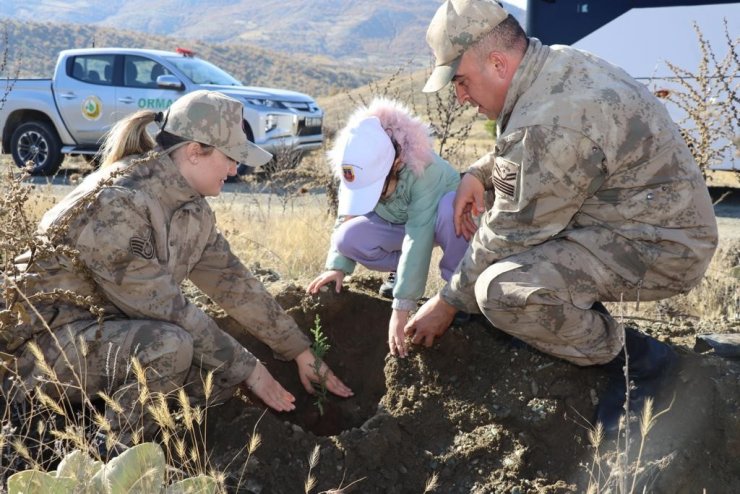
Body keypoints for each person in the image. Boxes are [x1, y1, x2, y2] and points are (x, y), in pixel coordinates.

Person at [405, 0, 718, 433]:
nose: (459, 97)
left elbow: (507, 233)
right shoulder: (556, 63)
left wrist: (447, 302)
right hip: (639, 220)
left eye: (460, 81)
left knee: (501, 290)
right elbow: (529, 141)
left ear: (497, 63)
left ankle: (641, 363)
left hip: (661, 247)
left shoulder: (549, 124)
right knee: (509, 270)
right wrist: (479, 173)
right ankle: (579, 306)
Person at [2, 90, 352, 444]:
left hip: (98, 338)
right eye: (230, 158)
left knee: (215, 379)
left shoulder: (190, 207)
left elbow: (234, 282)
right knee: (171, 347)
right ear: (194, 151)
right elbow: (167, 309)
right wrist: (252, 370)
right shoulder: (116, 203)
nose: (235, 169)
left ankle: (121, 427)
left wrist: (299, 351)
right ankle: (106, 456)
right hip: (33, 354)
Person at [307, 98, 469, 358]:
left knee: (453, 209)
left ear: (395, 163)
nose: (376, 195)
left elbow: (418, 236)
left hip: (437, 221)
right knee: (346, 238)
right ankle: (399, 271)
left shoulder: (426, 171)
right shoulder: (356, 159)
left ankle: (456, 292)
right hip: (395, 225)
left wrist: (401, 308)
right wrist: (337, 267)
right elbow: (346, 216)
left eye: (377, 188)